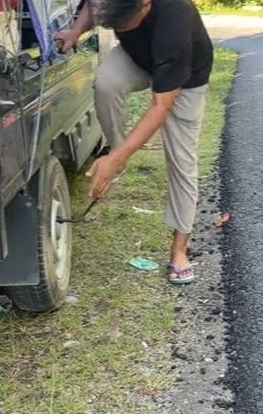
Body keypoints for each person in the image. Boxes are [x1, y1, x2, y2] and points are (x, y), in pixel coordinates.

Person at [57, 0, 213, 284]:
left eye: (124, 26)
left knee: (182, 162)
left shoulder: (173, 19)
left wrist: (121, 156)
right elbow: (94, 5)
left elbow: (161, 105)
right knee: (105, 82)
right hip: (137, 59)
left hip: (187, 77)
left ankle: (179, 250)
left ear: (145, 4)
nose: (120, 31)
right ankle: (117, 157)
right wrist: (74, 31)